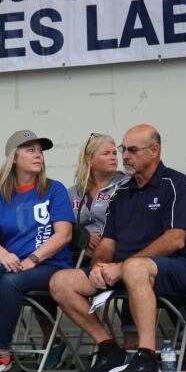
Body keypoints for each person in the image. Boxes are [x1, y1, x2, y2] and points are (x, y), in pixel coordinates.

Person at [49, 124, 186, 372]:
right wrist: (99, 266)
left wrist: (123, 266)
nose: (125, 156)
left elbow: (175, 240)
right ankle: (110, 349)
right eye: (124, 149)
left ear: (155, 150)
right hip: (127, 268)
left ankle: (147, 358)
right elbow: (107, 242)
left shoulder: (175, 184)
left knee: (135, 268)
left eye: (132, 150)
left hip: (176, 268)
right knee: (60, 281)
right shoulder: (121, 192)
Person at [0, 130, 73, 372]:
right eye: (30, 150)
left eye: (40, 151)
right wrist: (3, 254)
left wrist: (32, 259)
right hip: (16, 265)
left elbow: (64, 235)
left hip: (51, 265)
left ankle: (2, 352)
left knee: (11, 282)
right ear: (14, 158)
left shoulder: (53, 190)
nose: (38, 155)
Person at [66, 134, 131, 360]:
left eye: (115, 152)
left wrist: (104, 239)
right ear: (89, 159)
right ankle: (106, 345)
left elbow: (132, 223)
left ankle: (131, 350)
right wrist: (81, 235)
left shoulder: (126, 185)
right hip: (79, 257)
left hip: (117, 255)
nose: (114, 157)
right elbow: (61, 227)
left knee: (131, 279)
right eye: (106, 153)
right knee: (48, 277)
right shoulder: (73, 191)